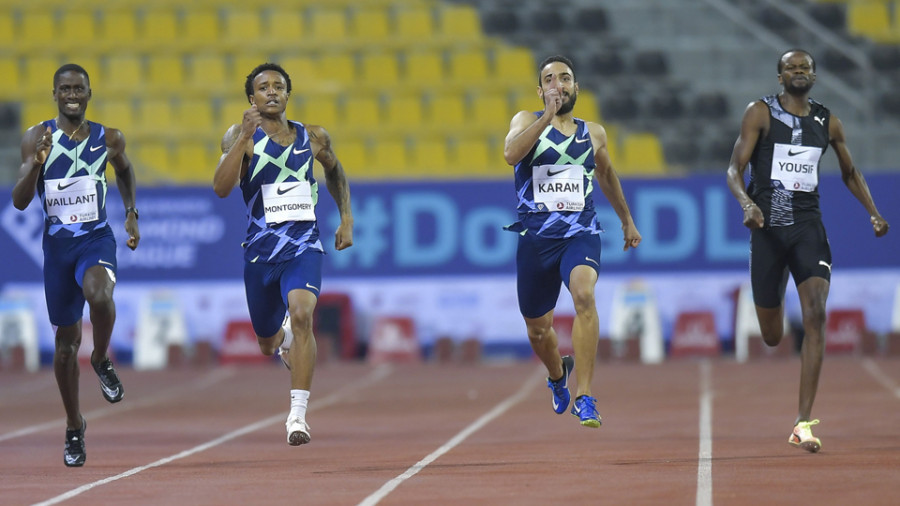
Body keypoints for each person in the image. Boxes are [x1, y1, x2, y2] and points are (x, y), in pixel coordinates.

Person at [726, 49, 889, 453]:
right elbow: (734, 169)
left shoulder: (828, 121)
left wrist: (873, 212)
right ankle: (776, 297)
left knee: (817, 313)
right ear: (779, 76)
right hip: (767, 229)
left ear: (814, 76)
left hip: (807, 227)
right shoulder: (760, 113)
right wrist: (747, 204)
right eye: (791, 68)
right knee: (770, 335)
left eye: (805, 67)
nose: (798, 72)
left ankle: (802, 421)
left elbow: (850, 171)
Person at [213, 63, 353, 446]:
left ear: (288, 94)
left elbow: (335, 172)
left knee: (304, 314)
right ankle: (283, 339)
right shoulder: (239, 136)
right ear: (251, 98)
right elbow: (222, 188)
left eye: (279, 86)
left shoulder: (314, 137)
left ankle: (297, 415)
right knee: (267, 343)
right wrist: (243, 137)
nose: (272, 92)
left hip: (304, 245)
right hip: (260, 254)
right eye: (263, 87)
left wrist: (346, 218)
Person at [11, 63, 140, 467]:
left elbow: (125, 170)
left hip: (95, 238)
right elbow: (18, 200)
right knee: (65, 350)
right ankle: (73, 425)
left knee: (99, 294)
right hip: (57, 249)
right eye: (64, 88)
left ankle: (101, 357)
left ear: (88, 94)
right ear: (54, 94)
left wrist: (132, 212)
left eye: (78, 89)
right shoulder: (36, 137)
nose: (71, 94)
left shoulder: (109, 138)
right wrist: (35, 163)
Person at [503, 55, 642, 428]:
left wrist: (627, 220)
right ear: (540, 90)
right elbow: (511, 155)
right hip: (536, 239)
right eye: (549, 79)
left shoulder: (593, 132)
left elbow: (608, 175)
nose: (557, 85)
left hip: (580, 233)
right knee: (538, 328)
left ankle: (586, 395)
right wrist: (546, 117)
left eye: (565, 78)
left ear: (576, 87)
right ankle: (556, 375)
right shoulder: (525, 121)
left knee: (584, 295)